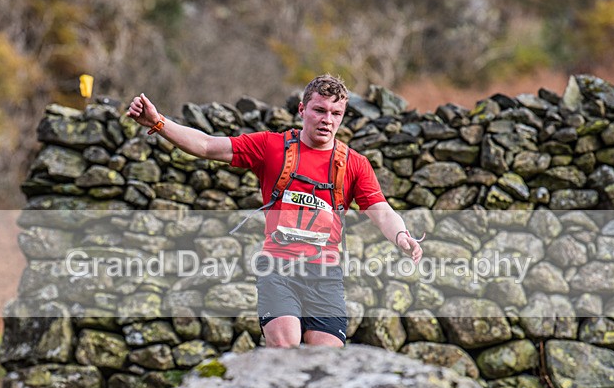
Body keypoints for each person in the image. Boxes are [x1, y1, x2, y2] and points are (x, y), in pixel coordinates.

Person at [127, 74, 422, 348]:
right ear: (302, 109)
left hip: (325, 276)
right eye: (319, 111)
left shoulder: (354, 164)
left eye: (336, 114)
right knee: (286, 349)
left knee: (327, 363)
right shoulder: (271, 147)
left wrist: (401, 236)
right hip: (278, 269)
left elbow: (381, 211)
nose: (327, 121)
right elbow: (206, 146)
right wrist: (158, 122)